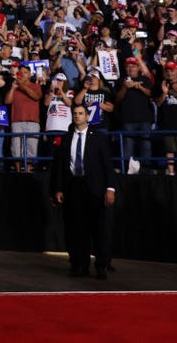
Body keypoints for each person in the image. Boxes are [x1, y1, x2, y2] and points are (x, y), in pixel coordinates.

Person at [51, 104, 117, 279]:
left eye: (80, 114)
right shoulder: (66, 139)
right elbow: (59, 167)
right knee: (75, 229)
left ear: (87, 116)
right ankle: (79, 265)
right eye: (74, 114)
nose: (77, 116)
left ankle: (101, 265)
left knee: (98, 229)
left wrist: (110, 188)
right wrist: (58, 188)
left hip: (95, 188)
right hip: (73, 187)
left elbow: (107, 165)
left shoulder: (99, 138)